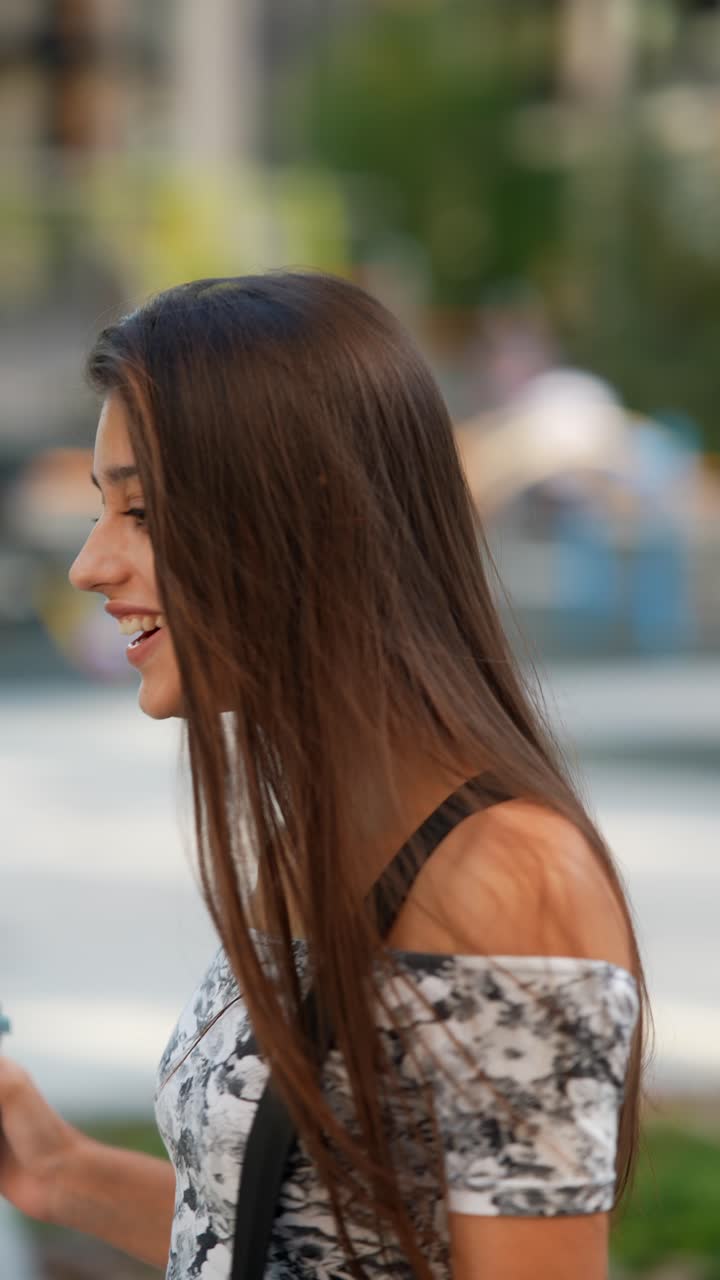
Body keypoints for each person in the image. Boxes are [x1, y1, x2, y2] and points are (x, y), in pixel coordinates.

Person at [0, 273, 646, 1280]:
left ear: (298, 522)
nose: (90, 564)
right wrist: (58, 1168)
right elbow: (309, 1237)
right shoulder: (329, 827)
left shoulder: (508, 880)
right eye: (101, 507)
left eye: (141, 509)